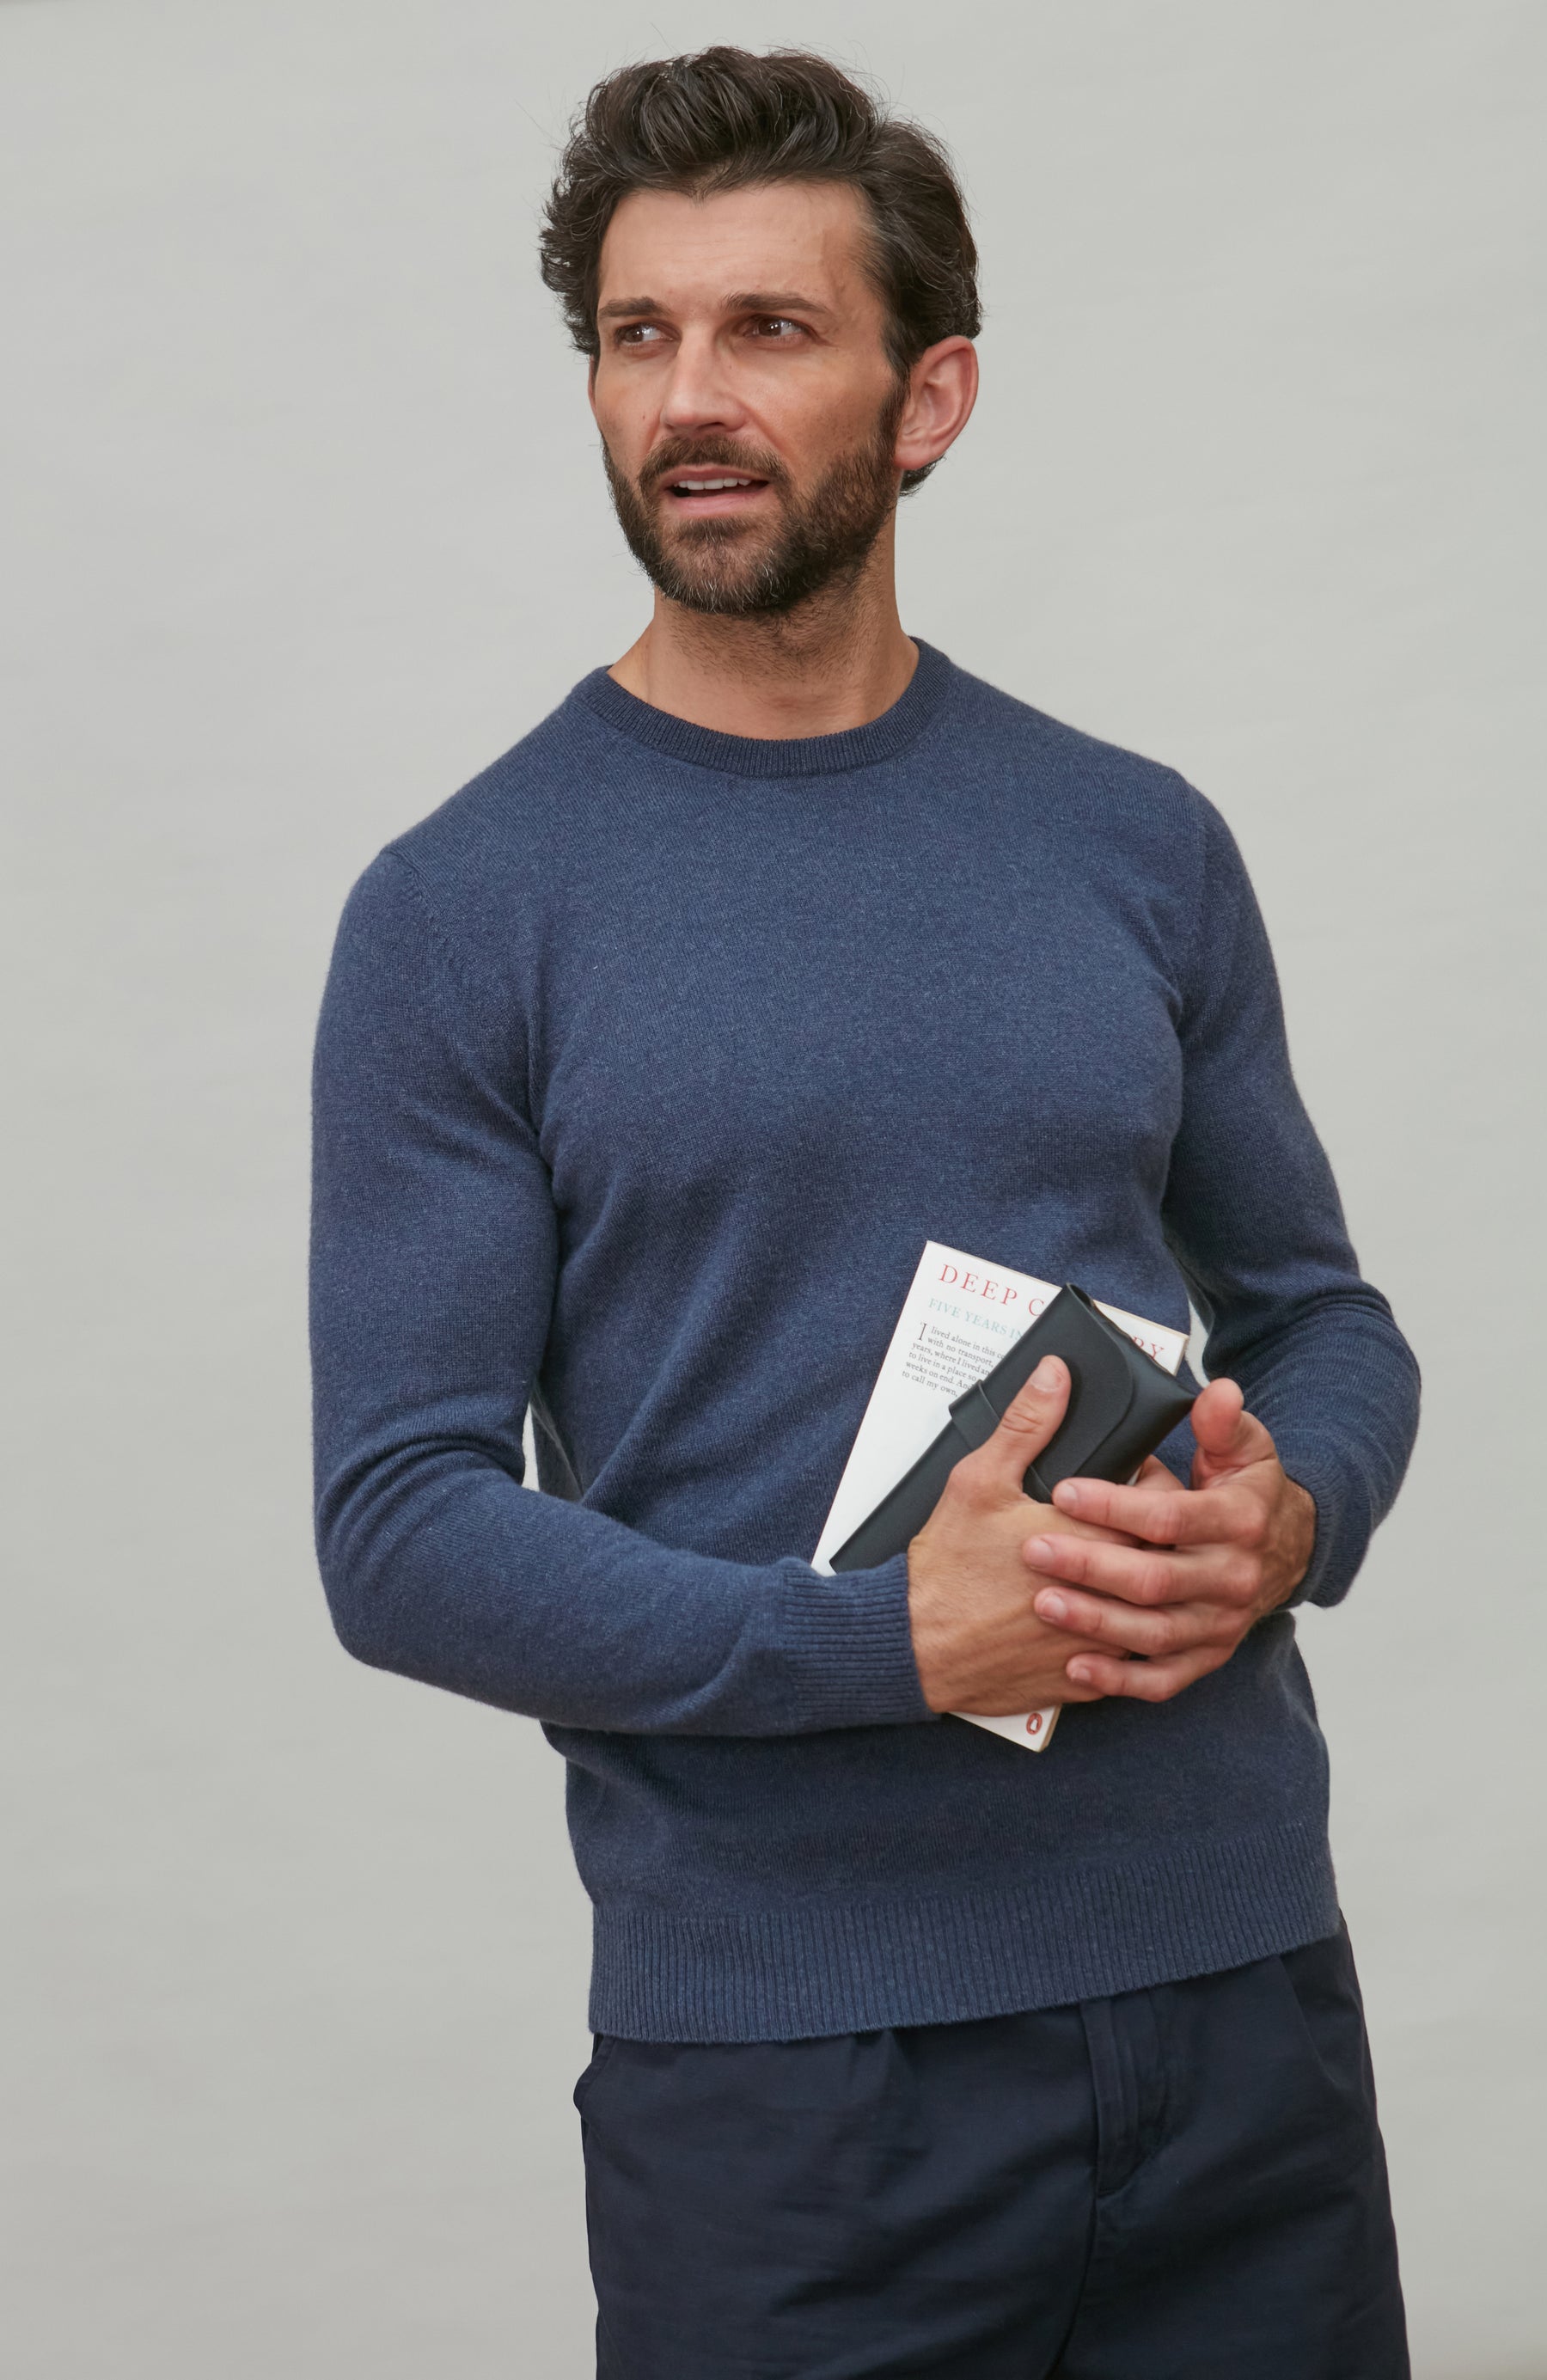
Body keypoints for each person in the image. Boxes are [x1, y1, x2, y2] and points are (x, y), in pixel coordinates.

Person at [309, 46, 1419, 2379]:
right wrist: (889, 1644)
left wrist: (1294, 1511)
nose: (689, 400)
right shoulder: (462, 910)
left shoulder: (1135, 841)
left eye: (767, 332)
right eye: (638, 337)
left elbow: (1329, 1317)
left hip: (1237, 2006)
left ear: (932, 399)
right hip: (794, 2092)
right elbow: (399, 1524)